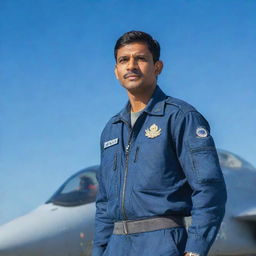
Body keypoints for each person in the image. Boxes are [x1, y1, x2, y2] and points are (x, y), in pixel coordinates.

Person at [93, 31, 227, 256]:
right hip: (116, 248)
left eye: (141, 58)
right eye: (123, 60)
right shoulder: (111, 130)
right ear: (116, 72)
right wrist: (99, 251)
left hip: (163, 244)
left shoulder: (181, 117)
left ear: (157, 67)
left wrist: (195, 249)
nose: (131, 66)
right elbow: (104, 204)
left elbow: (209, 186)